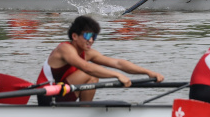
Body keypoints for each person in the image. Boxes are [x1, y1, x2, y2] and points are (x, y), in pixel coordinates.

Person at [35, 15, 165, 106]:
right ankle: (82, 112)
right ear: (74, 36)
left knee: (92, 77)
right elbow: (86, 68)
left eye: (94, 36)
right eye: (87, 35)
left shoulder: (88, 53)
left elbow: (118, 63)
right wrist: (117, 75)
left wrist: (148, 72)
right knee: (90, 74)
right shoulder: (64, 49)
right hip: (47, 96)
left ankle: (84, 110)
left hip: (63, 93)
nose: (91, 40)